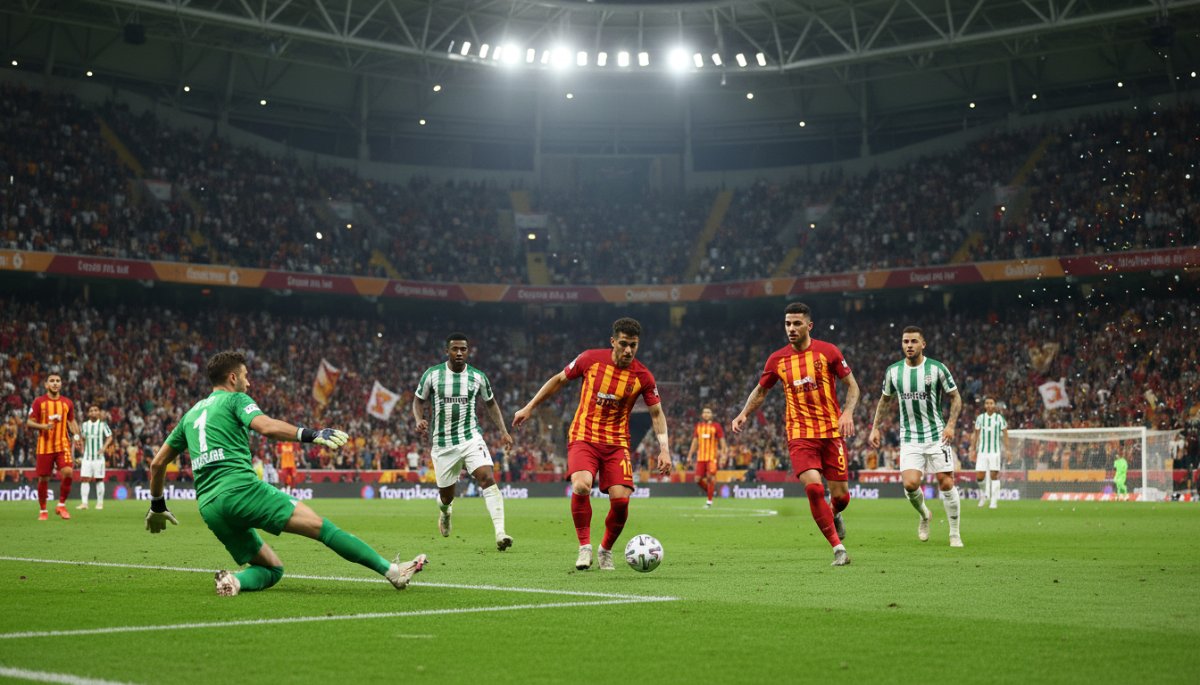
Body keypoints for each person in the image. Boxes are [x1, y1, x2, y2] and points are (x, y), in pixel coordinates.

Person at [145, 350, 426, 596]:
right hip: (241, 490)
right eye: (245, 376)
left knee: (272, 569)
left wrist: (157, 505)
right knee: (322, 528)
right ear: (232, 378)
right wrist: (312, 434)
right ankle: (393, 572)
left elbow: (157, 464)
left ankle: (234, 581)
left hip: (210, 507)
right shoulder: (235, 400)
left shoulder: (190, 415)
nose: (248, 382)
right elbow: (266, 426)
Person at [513, 317, 672, 571]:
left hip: (617, 443)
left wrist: (664, 449)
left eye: (633, 345)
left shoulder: (643, 376)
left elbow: (656, 413)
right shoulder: (590, 359)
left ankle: (605, 550)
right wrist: (530, 407)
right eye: (623, 344)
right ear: (613, 342)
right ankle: (584, 547)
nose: (628, 350)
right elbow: (559, 380)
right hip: (584, 436)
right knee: (581, 484)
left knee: (621, 501)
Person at [731, 302, 860, 567]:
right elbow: (761, 391)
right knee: (813, 488)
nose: (791, 328)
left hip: (831, 433)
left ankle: (834, 513)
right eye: (788, 323)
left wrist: (847, 413)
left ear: (809, 326)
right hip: (800, 434)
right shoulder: (777, 359)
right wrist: (744, 413)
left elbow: (853, 386)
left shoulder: (828, 351)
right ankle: (838, 548)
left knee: (841, 497)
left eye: (797, 323)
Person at [413, 332, 516, 551]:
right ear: (447, 351)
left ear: (468, 351)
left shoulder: (478, 377)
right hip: (443, 444)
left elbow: (491, 403)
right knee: (446, 497)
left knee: (487, 477)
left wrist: (504, 431)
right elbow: (418, 400)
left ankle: (500, 533)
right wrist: (418, 419)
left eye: (463, 349)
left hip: (470, 437)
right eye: (455, 349)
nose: (459, 353)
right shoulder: (432, 375)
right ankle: (445, 512)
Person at [868, 325, 965, 547]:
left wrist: (951, 425)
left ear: (923, 344)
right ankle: (924, 514)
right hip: (910, 437)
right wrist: (875, 427)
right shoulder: (893, 372)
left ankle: (954, 533)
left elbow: (956, 397)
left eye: (913, 341)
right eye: (905, 341)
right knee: (911, 484)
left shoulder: (937, 368)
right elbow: (884, 401)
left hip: (937, 435)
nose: (909, 345)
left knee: (946, 483)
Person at [26, 373, 82, 520]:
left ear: (61, 384)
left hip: (63, 444)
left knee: (68, 472)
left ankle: (61, 505)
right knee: (43, 479)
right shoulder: (39, 402)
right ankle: (43, 510)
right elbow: (29, 422)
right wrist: (43, 426)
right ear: (46, 385)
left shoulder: (67, 403)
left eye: (58, 381)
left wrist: (77, 436)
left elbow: (71, 421)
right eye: (52, 381)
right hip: (44, 446)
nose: (55, 383)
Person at [971, 397, 1007, 509]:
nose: (989, 405)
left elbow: (1005, 434)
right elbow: (976, 434)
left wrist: (1008, 449)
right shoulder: (980, 418)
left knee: (994, 475)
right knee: (980, 477)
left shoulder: (999, 418)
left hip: (995, 452)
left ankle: (994, 501)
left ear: (994, 405)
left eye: (991, 403)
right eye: (987, 403)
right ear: (985, 405)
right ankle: (984, 495)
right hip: (982, 451)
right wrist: (973, 449)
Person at [687, 407, 727, 508]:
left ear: (712, 415)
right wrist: (690, 455)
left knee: (710, 478)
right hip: (701, 458)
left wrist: (723, 455)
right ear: (702, 415)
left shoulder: (716, 426)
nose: (706, 414)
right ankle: (711, 492)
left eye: (708, 412)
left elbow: (722, 441)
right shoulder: (698, 426)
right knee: (697, 479)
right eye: (704, 412)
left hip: (712, 457)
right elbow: (695, 442)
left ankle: (709, 501)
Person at [77, 403, 114, 510]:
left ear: (99, 413)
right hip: (87, 457)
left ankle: (100, 503)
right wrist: (81, 449)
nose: (93, 412)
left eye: (96, 410)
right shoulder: (84, 425)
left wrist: (104, 447)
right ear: (88, 413)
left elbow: (110, 437)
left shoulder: (103, 424)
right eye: (91, 410)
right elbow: (82, 438)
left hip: (99, 457)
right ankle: (84, 503)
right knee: (84, 479)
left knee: (99, 479)